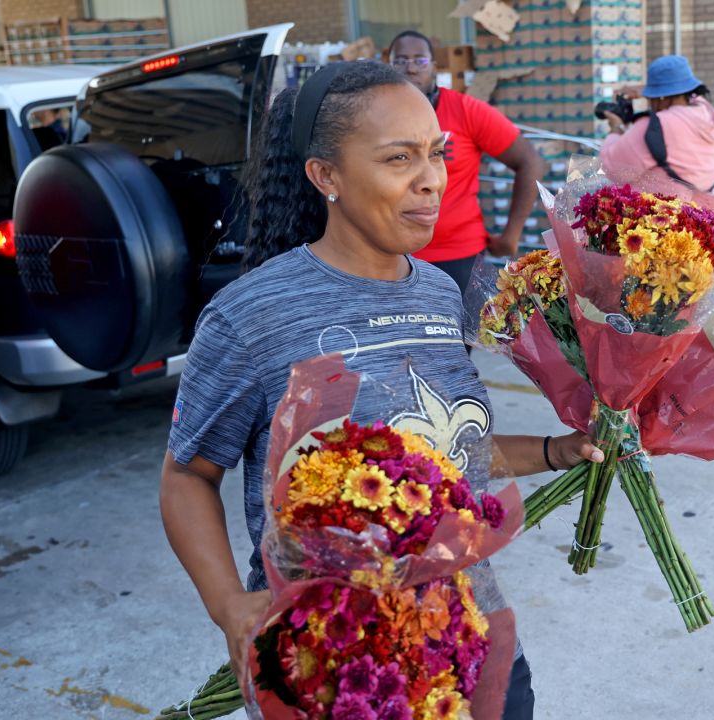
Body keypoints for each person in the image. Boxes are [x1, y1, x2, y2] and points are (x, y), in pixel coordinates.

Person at [159, 61, 602, 719]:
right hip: (337, 660)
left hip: (466, 630)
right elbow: (187, 476)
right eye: (400, 159)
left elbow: (449, 457)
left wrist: (561, 450)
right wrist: (229, 604)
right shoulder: (250, 314)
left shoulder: (439, 291)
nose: (432, 181)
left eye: (436, 154)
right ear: (326, 176)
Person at [388, 30, 546, 295]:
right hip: (392, 256)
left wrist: (511, 235)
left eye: (420, 61)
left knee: (467, 336)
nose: (411, 68)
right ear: (388, 67)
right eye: (400, 61)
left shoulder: (465, 110)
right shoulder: (375, 118)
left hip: (459, 257)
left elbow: (531, 161)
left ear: (435, 68)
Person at [598, 55, 714, 193]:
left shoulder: (655, 126)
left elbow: (615, 169)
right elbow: (684, 94)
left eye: (651, 98)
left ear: (662, 97)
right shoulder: (706, 112)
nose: (650, 103)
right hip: (703, 208)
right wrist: (647, 89)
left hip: (666, 211)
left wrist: (616, 128)